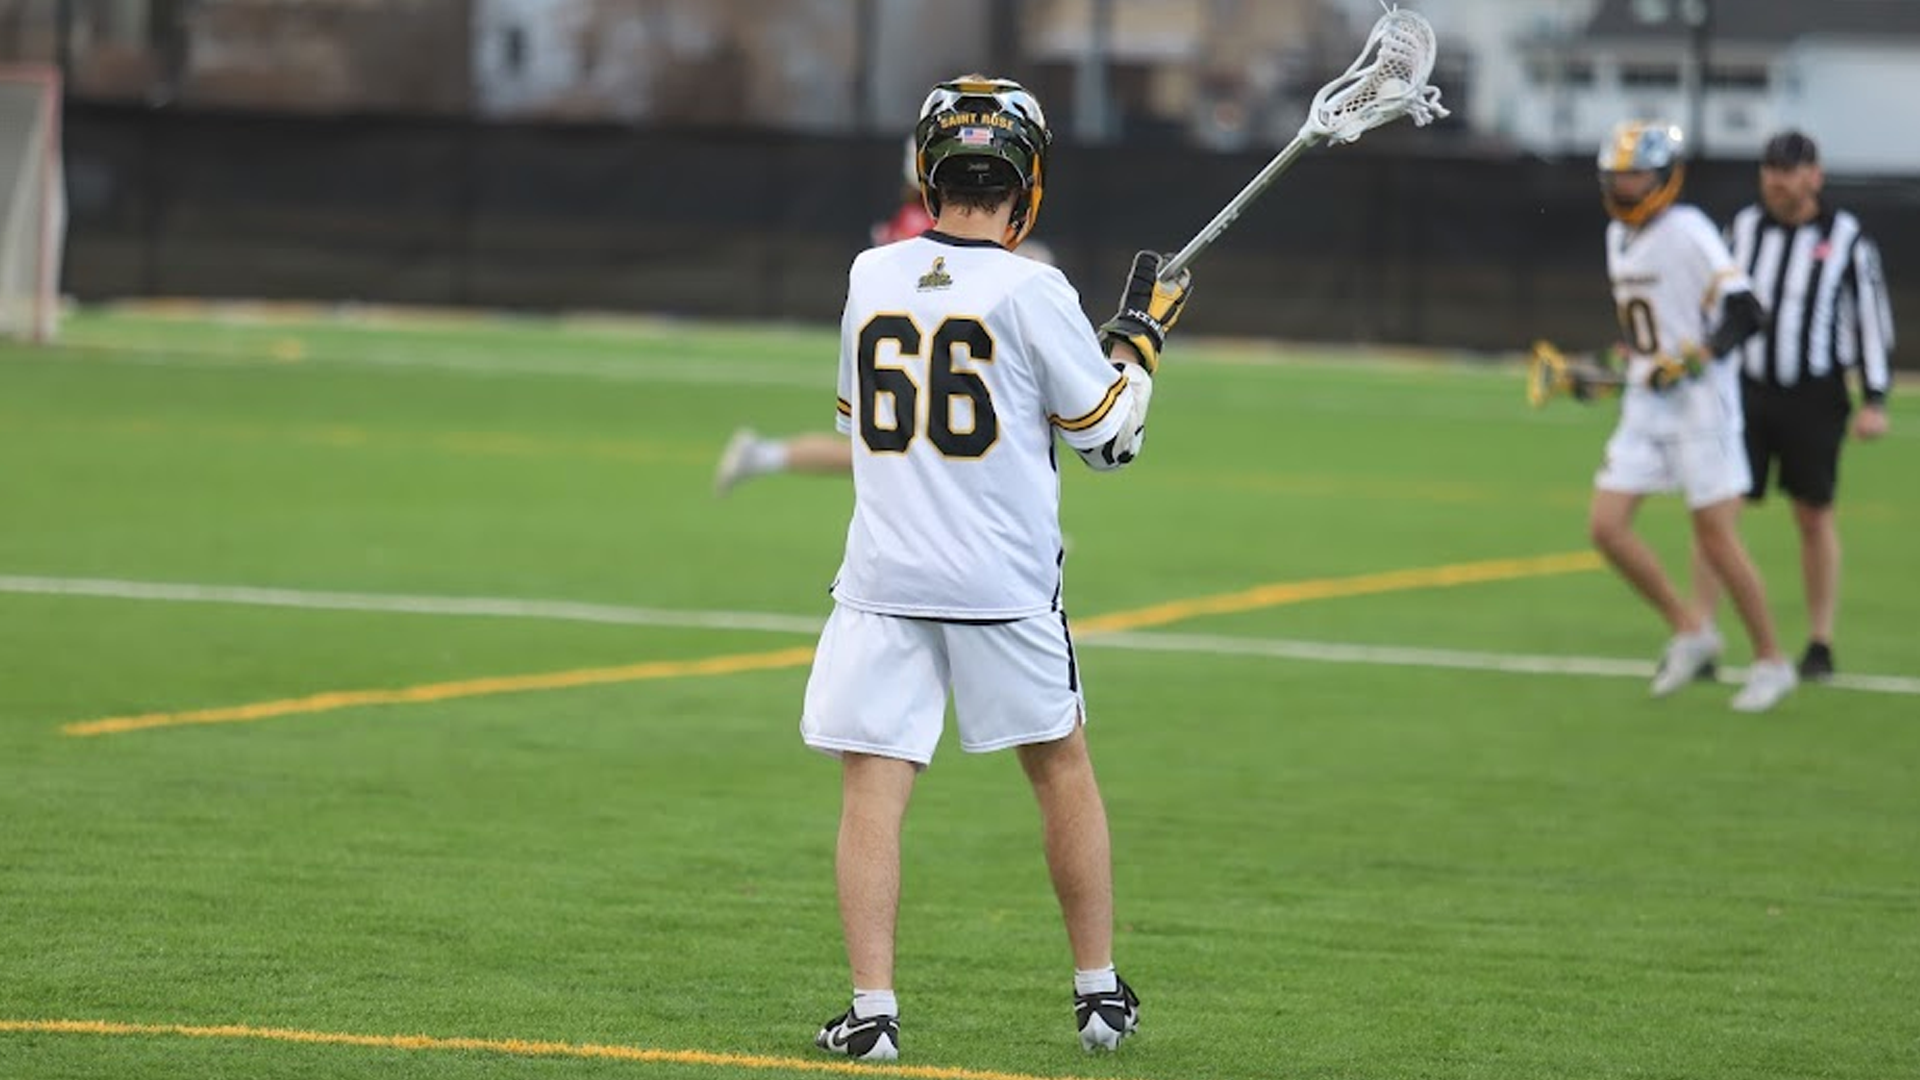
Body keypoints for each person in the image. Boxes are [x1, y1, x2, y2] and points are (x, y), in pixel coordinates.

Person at [801, 74, 1191, 1061]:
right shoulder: (1036, 288)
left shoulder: (869, 275)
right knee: (1059, 767)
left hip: (886, 579)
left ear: (931, 173)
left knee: (872, 790)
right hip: (1002, 586)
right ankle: (1098, 996)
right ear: (1028, 183)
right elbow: (1111, 442)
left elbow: (859, 422)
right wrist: (1140, 347)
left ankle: (873, 1012)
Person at [1585, 120, 1797, 712]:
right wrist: (1612, 366)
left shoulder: (1687, 229)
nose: (1626, 186)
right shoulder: (1617, 236)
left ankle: (1772, 660)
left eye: (1636, 176)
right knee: (1606, 527)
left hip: (1702, 409)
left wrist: (1699, 357)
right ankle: (1691, 629)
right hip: (1644, 406)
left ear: (1662, 177)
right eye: (1618, 176)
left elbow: (1746, 311)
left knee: (1715, 539)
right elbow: (1649, 328)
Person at [1688, 130, 1896, 681]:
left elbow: (1870, 320)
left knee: (1812, 514)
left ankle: (1819, 641)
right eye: (1771, 170)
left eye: (1789, 170)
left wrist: (1874, 398)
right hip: (1745, 391)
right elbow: (1713, 300)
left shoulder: (1846, 238)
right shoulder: (1742, 229)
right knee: (1717, 510)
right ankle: (1700, 633)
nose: (1778, 181)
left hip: (1814, 394)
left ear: (1814, 176)